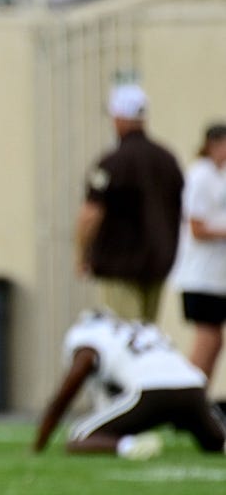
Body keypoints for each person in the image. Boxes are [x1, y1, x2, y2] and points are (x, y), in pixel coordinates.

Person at [33, 309, 226, 459]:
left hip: (150, 392)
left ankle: (129, 446)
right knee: (215, 442)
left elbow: (71, 384)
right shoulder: (138, 329)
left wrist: (41, 439)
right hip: (194, 388)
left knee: (79, 435)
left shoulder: (87, 336)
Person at [76, 82, 184, 323]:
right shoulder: (167, 160)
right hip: (159, 263)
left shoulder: (113, 163)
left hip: (120, 266)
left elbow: (90, 214)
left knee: (124, 336)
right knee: (147, 338)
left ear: (119, 117)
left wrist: (82, 254)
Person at [171, 122, 226, 382]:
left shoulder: (219, 175)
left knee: (215, 341)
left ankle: (197, 399)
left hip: (217, 276)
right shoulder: (200, 175)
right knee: (208, 338)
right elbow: (196, 227)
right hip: (200, 275)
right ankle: (184, 396)